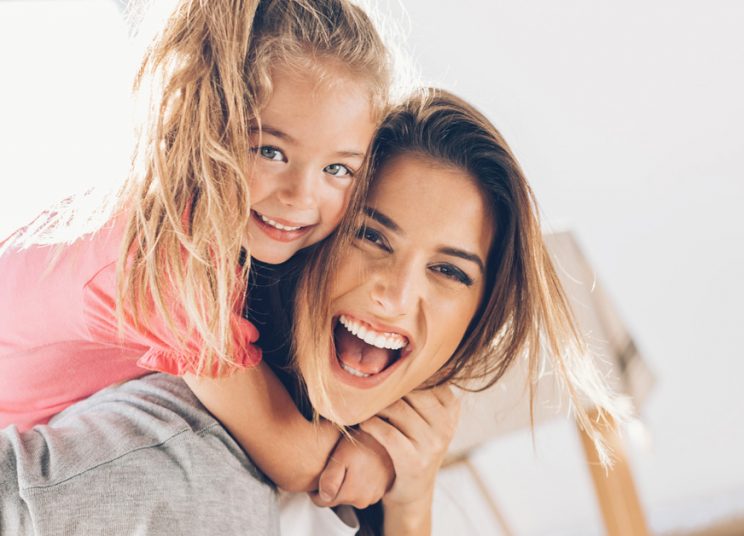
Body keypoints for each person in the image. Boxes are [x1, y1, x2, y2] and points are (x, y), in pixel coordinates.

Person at [1, 88, 628, 535]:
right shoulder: (190, 454)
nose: (395, 293)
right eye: (371, 235)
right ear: (306, 235)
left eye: (448, 271)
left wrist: (408, 502)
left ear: (477, 316)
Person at [0, 0, 395, 505]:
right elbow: (295, 459)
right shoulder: (169, 262)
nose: (301, 196)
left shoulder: (189, 219)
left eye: (338, 169)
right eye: (269, 151)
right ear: (208, 123)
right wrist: (386, 448)